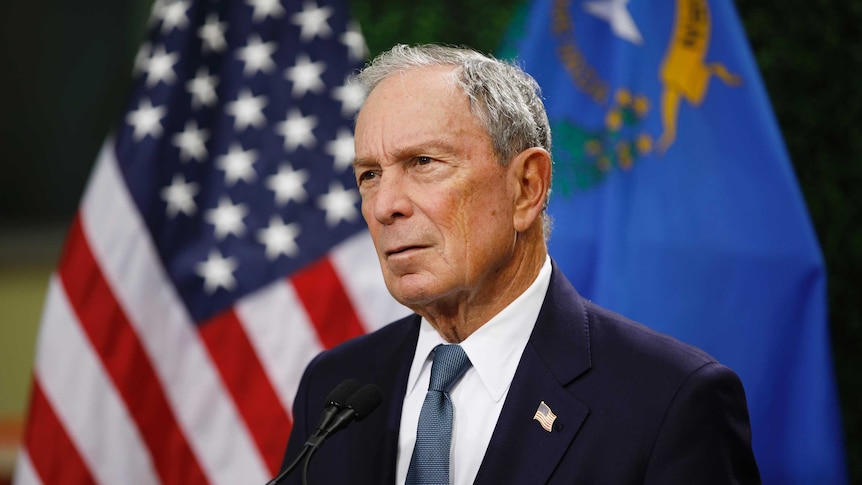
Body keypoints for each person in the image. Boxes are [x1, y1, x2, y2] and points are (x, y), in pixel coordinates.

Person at [276, 44, 760, 484]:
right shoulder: (335, 388)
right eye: (370, 175)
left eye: (423, 162)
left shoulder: (668, 401)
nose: (385, 205)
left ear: (527, 187)